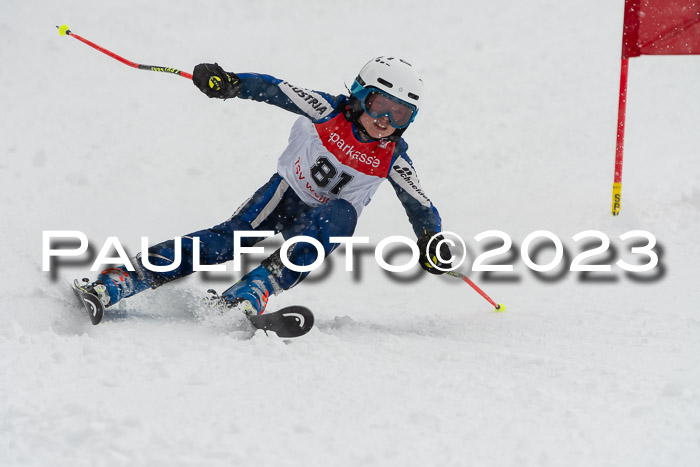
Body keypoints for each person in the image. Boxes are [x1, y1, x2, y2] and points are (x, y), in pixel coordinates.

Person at [76, 56, 452, 317]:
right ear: (358, 95)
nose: (385, 120)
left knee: (343, 215)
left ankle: (256, 288)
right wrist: (231, 84)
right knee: (226, 242)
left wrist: (431, 240)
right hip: (284, 196)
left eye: (400, 113)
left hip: (322, 219)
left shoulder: (393, 156)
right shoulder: (326, 110)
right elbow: (274, 88)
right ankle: (126, 278)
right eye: (379, 105)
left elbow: (420, 205)